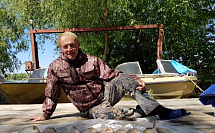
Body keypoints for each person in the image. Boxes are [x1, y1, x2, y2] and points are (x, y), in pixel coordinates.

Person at [30, 32, 190, 121]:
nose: (70, 49)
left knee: (125, 79)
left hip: (105, 96)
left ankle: (161, 111)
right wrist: (45, 115)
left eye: (73, 45)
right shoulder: (55, 67)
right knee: (115, 116)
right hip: (89, 109)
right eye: (66, 47)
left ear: (78, 45)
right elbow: (51, 94)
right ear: (61, 48)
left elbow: (113, 75)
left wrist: (136, 80)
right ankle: (141, 112)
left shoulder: (92, 60)